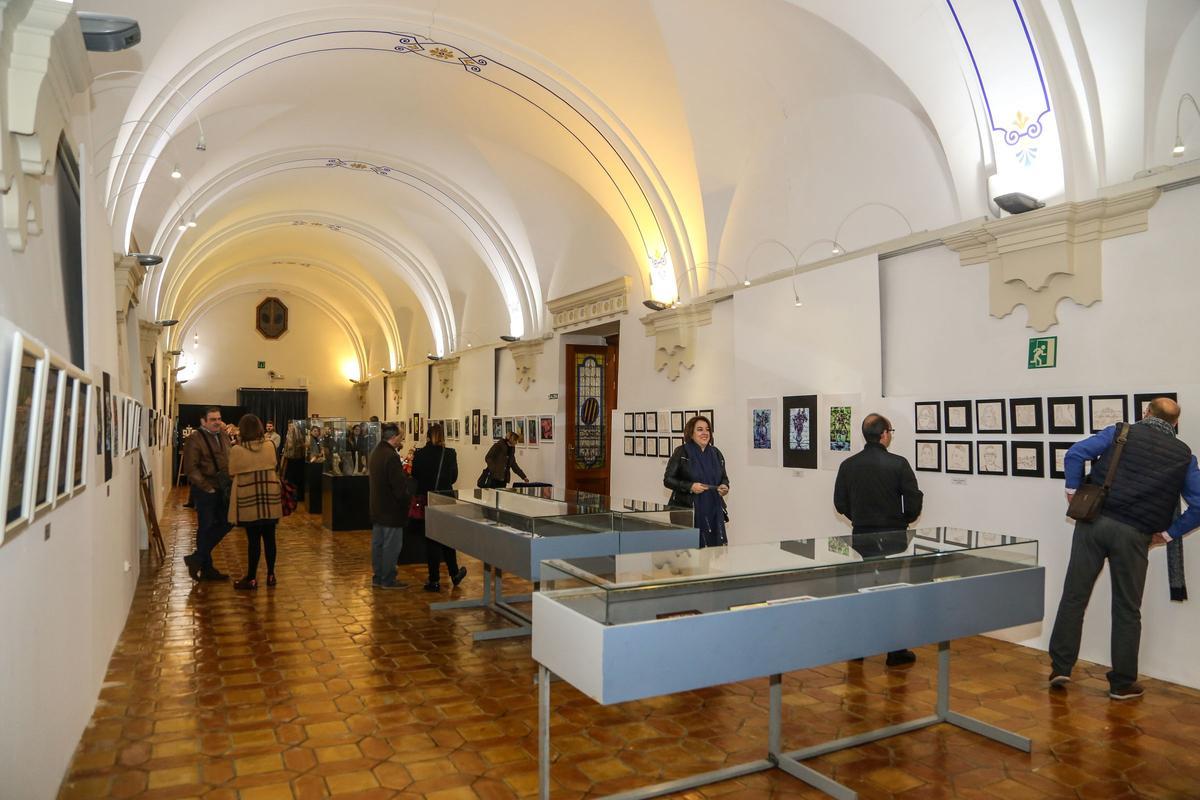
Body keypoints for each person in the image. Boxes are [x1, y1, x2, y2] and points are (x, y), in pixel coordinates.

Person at [1049, 397, 1200, 700]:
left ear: (1146, 413)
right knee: (1127, 609)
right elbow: (1199, 504)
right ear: (1175, 424)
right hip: (1135, 536)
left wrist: (1072, 490)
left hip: (1094, 523)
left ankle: (1061, 667)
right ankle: (1121, 683)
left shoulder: (1122, 431)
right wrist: (1169, 534)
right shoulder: (1185, 455)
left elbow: (1077, 453)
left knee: (1074, 596)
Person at [833, 413, 924, 667]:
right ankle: (894, 651)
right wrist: (902, 519)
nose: (890, 435)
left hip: (861, 535)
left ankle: (857, 649)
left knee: (861, 589)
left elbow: (840, 504)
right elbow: (914, 501)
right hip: (894, 535)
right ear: (884, 434)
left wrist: (859, 518)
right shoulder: (898, 464)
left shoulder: (848, 465)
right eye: (891, 431)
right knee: (891, 592)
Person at [227, 414, 282, 590]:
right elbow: (274, 464)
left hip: (248, 496)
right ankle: (271, 575)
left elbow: (232, 471)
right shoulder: (270, 445)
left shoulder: (237, 450)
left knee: (253, 541)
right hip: (270, 496)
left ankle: (251, 578)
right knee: (270, 538)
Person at [411, 423, 467, 592]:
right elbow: (454, 476)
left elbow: (415, 474)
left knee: (432, 540)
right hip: (446, 500)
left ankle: (434, 579)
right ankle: (454, 573)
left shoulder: (420, 454)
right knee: (448, 538)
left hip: (428, 499)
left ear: (428, 437)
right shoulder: (449, 453)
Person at [182, 407, 233, 581]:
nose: (217, 422)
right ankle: (207, 568)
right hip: (206, 490)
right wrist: (206, 487)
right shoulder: (194, 439)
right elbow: (190, 467)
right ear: (203, 421)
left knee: (228, 522)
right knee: (206, 526)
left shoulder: (223, 435)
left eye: (219, 418)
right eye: (213, 419)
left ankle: (198, 557)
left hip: (223, 488)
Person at [663, 415, 730, 547]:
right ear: (691, 433)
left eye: (707, 429)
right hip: (688, 511)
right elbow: (668, 480)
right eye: (700, 429)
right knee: (688, 554)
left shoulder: (716, 453)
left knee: (711, 553)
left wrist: (724, 486)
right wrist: (690, 486)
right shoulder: (681, 452)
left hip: (713, 509)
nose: (705, 433)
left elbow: (724, 477)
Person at [368, 422, 415, 588]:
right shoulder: (391, 456)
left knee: (378, 544)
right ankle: (387, 579)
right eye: (401, 437)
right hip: (391, 510)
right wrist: (407, 499)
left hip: (378, 508)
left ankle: (378, 577)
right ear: (394, 437)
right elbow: (399, 488)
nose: (402, 440)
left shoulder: (376, 452)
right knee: (391, 546)